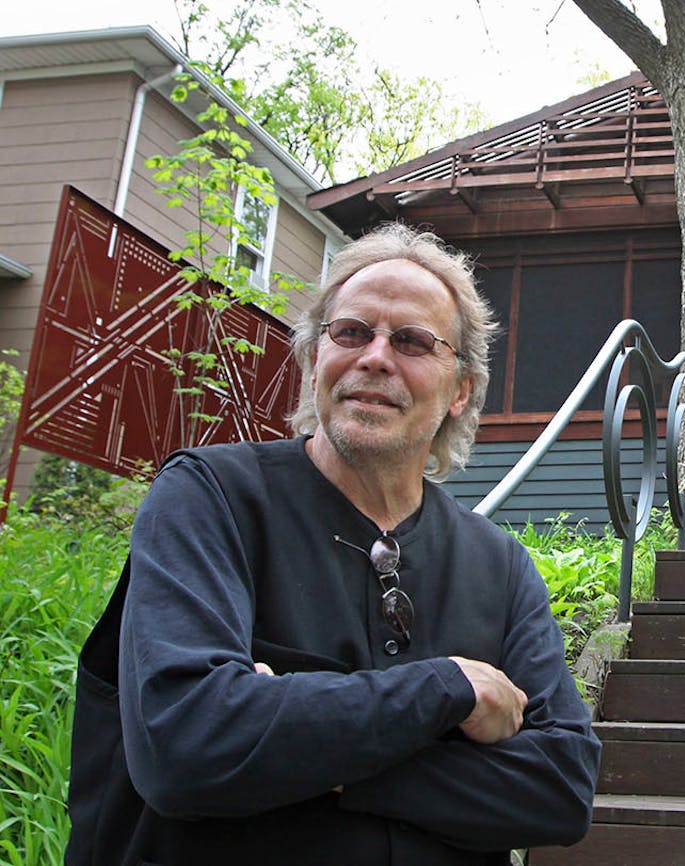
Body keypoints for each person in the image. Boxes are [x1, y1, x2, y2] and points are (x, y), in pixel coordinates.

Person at [65, 224, 601, 865]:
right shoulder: (210, 498)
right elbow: (185, 745)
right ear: (314, 359)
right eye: (351, 332)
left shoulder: (500, 566)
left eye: (411, 341)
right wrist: (447, 689)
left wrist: (305, 745)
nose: (375, 356)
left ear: (461, 389)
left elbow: (561, 788)